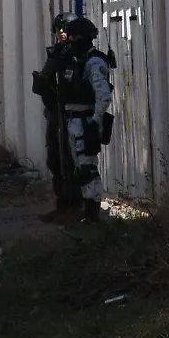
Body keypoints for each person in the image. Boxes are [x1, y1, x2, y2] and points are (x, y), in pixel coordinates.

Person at [57, 16, 113, 223]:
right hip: (74, 120)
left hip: (85, 120)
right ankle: (87, 209)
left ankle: (93, 212)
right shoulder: (77, 60)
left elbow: (103, 95)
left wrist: (94, 120)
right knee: (80, 167)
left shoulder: (94, 61)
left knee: (87, 166)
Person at [32, 13, 82, 223]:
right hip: (55, 112)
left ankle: (76, 206)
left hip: (72, 113)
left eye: (65, 28)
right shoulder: (56, 54)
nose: (61, 33)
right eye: (58, 29)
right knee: (55, 159)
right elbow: (44, 82)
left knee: (71, 160)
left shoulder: (80, 55)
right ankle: (62, 204)